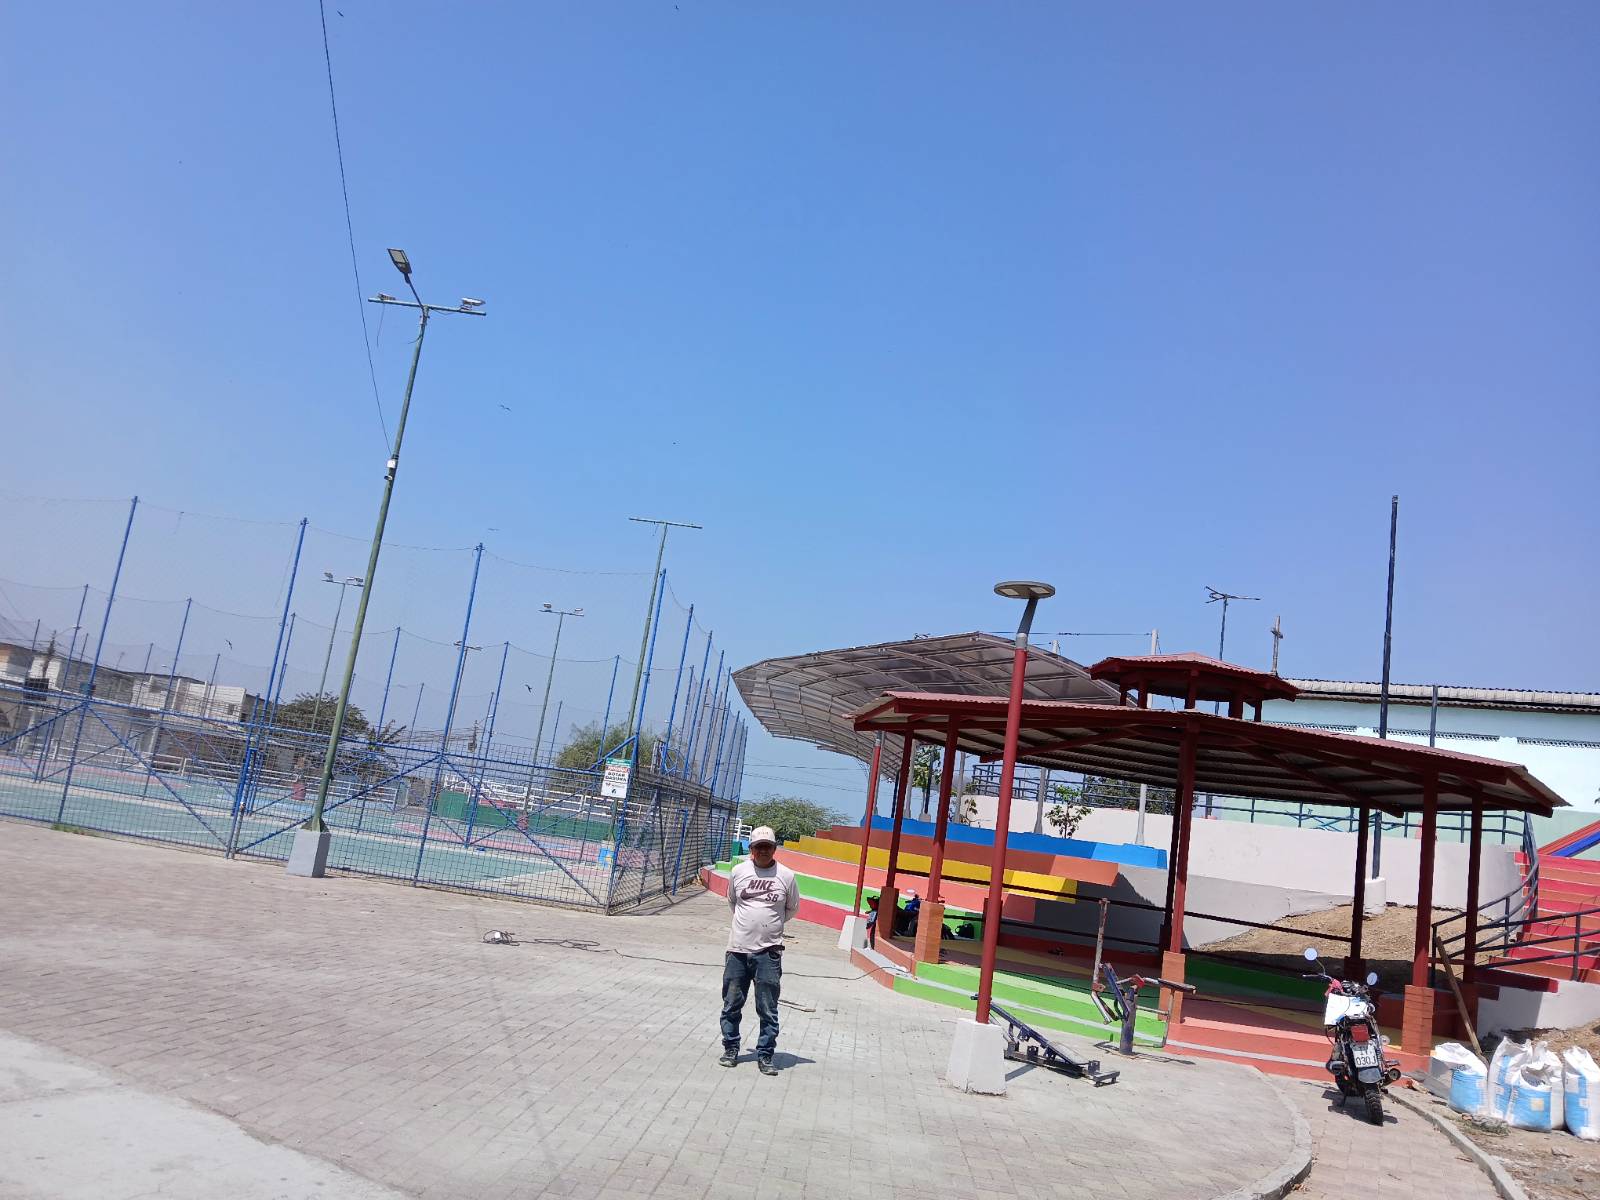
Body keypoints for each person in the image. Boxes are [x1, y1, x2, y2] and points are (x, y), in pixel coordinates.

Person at [720, 825, 799, 1075]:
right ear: (751, 849)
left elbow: (792, 908)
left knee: (768, 1008)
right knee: (731, 1004)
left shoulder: (786, 876)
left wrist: (771, 925)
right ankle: (731, 1048)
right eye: (758, 847)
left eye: (768, 847)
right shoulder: (738, 872)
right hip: (738, 950)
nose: (763, 851)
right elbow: (732, 901)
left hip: (769, 953)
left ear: (775, 849)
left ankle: (765, 1055)